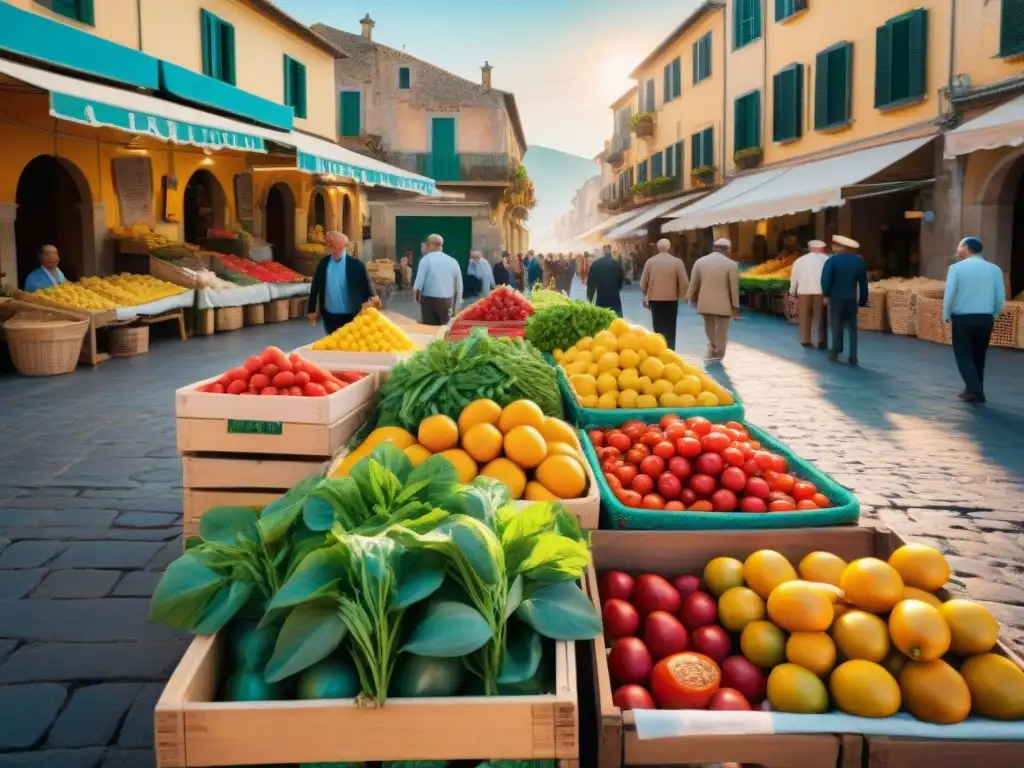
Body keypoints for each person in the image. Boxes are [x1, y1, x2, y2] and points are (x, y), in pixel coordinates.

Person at [943, 236, 1006, 403]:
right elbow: (1000, 297)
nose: (957, 250)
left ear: (965, 248)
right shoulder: (995, 269)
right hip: (985, 318)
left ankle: (974, 388)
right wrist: (994, 314)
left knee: (963, 354)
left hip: (963, 318)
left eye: (959, 246)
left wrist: (946, 314)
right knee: (979, 356)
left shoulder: (956, 269)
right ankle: (977, 393)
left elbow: (949, 296)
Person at [307, 232, 378, 333]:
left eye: (331, 243)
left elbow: (367, 285)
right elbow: (315, 287)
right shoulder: (323, 263)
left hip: (353, 314)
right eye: (328, 243)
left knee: (350, 342)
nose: (328, 245)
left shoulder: (356, 265)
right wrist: (311, 309)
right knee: (333, 342)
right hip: (330, 315)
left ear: (341, 246)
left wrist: (373, 299)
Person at [688, 238, 740, 362]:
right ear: (726, 249)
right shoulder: (731, 264)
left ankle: (712, 347)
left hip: (705, 302)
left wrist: (690, 298)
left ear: (714, 247)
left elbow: (694, 283)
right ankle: (718, 352)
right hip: (724, 304)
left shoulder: (700, 262)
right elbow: (734, 287)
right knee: (721, 329)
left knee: (709, 326)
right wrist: (735, 305)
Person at [821, 234, 869, 366]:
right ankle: (853, 356)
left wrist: (826, 294)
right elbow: (863, 283)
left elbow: (826, 279)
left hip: (837, 298)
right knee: (852, 328)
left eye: (835, 245)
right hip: (851, 299)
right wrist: (863, 300)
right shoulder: (859, 261)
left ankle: (835, 352)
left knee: (837, 325)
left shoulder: (832, 261)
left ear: (840, 247)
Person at [640, 238, 689, 349]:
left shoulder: (650, 261)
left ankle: (659, 349)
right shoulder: (677, 262)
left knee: (658, 326)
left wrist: (646, 295)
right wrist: (681, 295)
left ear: (657, 247)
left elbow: (643, 283)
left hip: (655, 300)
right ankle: (670, 349)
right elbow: (685, 282)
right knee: (670, 327)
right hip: (671, 299)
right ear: (669, 247)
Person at [414, 233, 463, 325]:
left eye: (426, 245)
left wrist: (417, 298)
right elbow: (459, 286)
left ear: (431, 245)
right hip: (447, 300)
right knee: (444, 328)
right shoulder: (453, 261)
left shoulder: (425, 260)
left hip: (429, 301)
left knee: (429, 328)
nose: (425, 248)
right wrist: (457, 306)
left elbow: (418, 285)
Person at [790, 240, 830, 349]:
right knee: (819, 317)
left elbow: (794, 278)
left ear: (809, 248)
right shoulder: (827, 260)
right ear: (822, 248)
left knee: (804, 317)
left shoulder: (799, 261)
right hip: (820, 292)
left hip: (803, 292)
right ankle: (820, 340)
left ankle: (805, 340)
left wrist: (792, 292)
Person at [587, 244, 624, 316]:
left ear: (603, 251)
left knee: (601, 317)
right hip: (614, 296)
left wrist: (590, 297)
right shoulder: (616, 264)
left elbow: (591, 283)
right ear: (610, 251)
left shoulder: (596, 264)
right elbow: (620, 281)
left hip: (601, 297)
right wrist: (616, 288)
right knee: (615, 318)